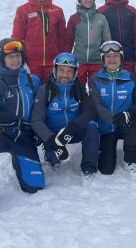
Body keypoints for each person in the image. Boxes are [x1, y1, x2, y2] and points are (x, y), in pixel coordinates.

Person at [0, 38, 44, 215]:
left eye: (18, 56)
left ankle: (18, 158)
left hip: (24, 137)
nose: (15, 60)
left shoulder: (32, 81)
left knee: (34, 187)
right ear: (2, 59)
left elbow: (40, 109)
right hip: (2, 134)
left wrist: (39, 132)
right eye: (10, 57)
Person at [31, 52, 99, 184]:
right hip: (53, 134)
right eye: (61, 70)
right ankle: (51, 154)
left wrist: (73, 128)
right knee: (54, 159)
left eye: (69, 71)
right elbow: (36, 120)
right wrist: (51, 140)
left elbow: (90, 110)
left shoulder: (78, 88)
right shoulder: (45, 90)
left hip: (72, 131)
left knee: (91, 126)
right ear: (54, 70)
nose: (65, 75)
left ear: (75, 73)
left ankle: (89, 168)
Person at [88, 41, 136, 180]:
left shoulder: (131, 77)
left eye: (115, 56)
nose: (112, 59)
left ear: (121, 59)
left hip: (126, 122)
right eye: (108, 56)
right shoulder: (95, 79)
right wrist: (114, 118)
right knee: (106, 169)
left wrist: (130, 113)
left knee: (133, 125)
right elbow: (97, 106)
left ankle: (131, 160)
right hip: (107, 126)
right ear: (103, 59)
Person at [12, 0, 66, 82]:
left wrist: (62, 60)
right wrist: (20, 60)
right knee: (33, 93)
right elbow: (17, 38)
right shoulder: (22, 10)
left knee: (50, 93)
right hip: (31, 64)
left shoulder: (57, 11)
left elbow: (62, 38)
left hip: (52, 64)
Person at [65, 0, 111, 85]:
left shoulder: (101, 18)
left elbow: (107, 41)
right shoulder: (74, 18)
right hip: (79, 61)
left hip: (97, 61)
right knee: (78, 89)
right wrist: (67, 59)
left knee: (96, 89)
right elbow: (68, 41)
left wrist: (107, 59)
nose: (88, 0)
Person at [98, 0, 136, 74]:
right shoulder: (101, 12)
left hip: (129, 60)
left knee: (130, 87)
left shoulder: (131, 11)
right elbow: (98, 39)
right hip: (109, 60)